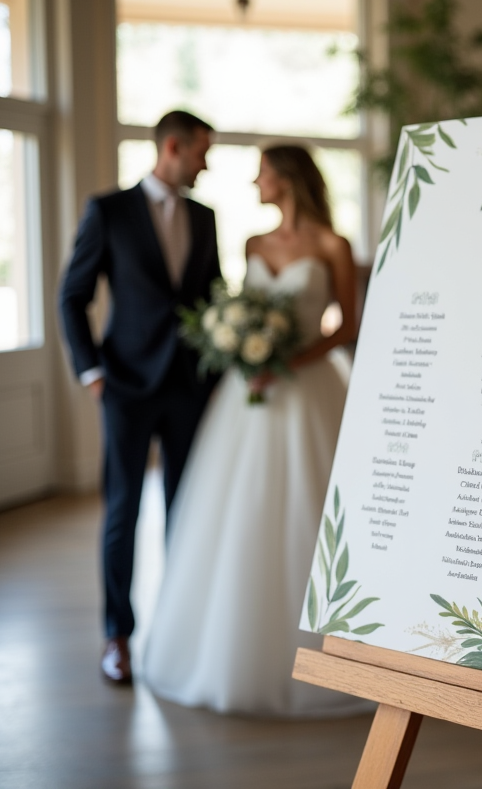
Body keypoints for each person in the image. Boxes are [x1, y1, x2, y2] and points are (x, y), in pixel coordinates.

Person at [141, 144, 368, 717]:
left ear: (287, 179)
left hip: (310, 384)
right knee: (240, 509)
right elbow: (247, 310)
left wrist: (290, 359)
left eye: (261, 173)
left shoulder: (332, 245)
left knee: (313, 507)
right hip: (250, 392)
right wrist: (244, 350)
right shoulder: (254, 245)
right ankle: (229, 653)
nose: (254, 183)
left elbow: (347, 324)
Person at [59, 110, 221, 685]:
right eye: (202, 151)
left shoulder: (206, 218)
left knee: (187, 508)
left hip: (189, 388)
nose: (207, 162)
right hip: (124, 386)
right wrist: (92, 373)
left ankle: (178, 630)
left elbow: (212, 302)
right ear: (172, 147)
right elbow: (71, 296)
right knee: (123, 512)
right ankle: (117, 636)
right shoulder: (109, 211)